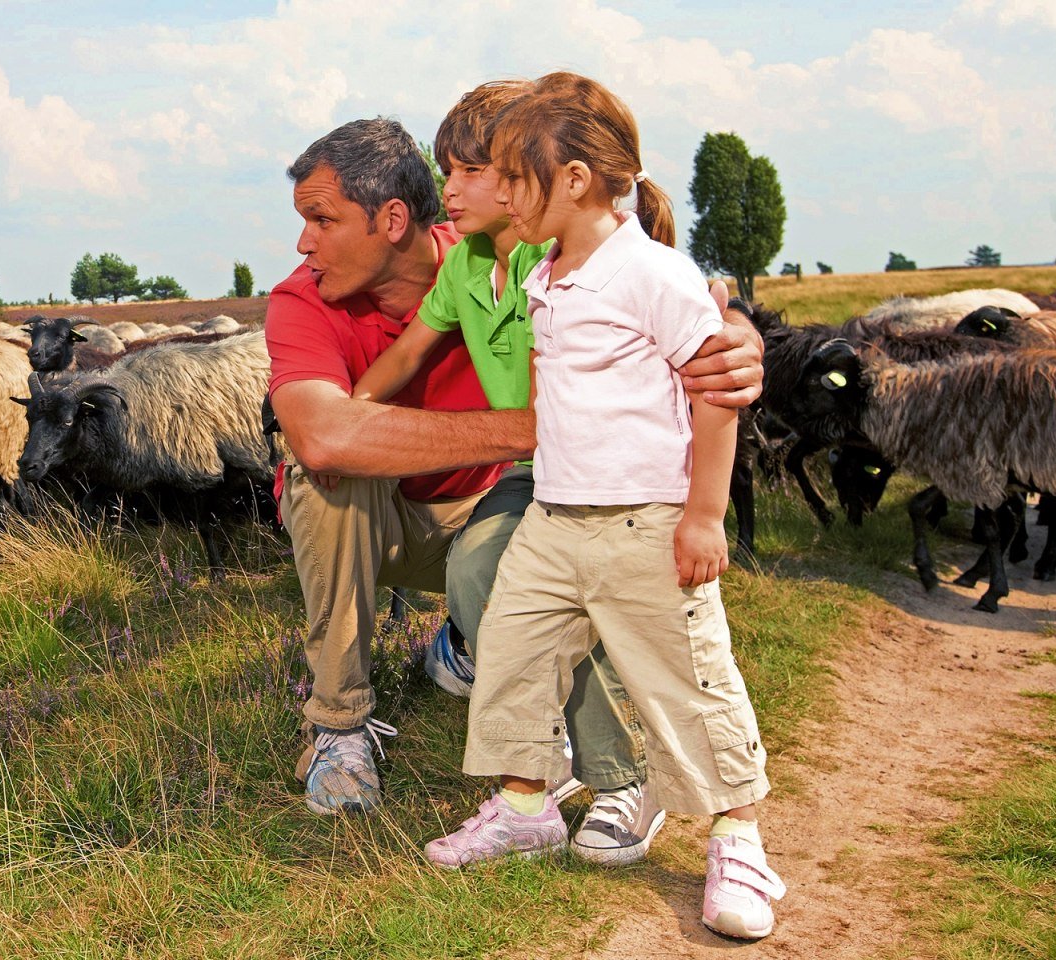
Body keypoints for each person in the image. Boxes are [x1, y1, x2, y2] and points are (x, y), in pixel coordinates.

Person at [267, 116, 765, 825]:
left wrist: (737, 335)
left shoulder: (515, 251)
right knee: (320, 476)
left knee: (519, 551)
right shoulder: (302, 300)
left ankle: (595, 759)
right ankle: (340, 727)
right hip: (395, 522)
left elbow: (645, 279)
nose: (302, 243)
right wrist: (543, 426)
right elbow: (321, 436)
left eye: (321, 219)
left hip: (510, 503)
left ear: (392, 219)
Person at [416, 72, 785, 941]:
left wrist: (703, 515)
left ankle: (737, 840)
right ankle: (525, 808)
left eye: (513, 175)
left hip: (645, 522)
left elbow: (715, 394)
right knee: (511, 656)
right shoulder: (543, 273)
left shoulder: (655, 274)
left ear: (573, 179)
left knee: (687, 680)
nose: (501, 193)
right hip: (555, 517)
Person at [351, 80, 662, 867]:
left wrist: (736, 334)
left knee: (559, 583)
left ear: (526, 174)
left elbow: (652, 281)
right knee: (478, 569)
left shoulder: (548, 253)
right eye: (444, 171)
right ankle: (545, 755)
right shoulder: (465, 272)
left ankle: (626, 777)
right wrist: (346, 413)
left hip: (610, 472)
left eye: (469, 172)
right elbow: (404, 356)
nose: (446, 190)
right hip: (534, 471)